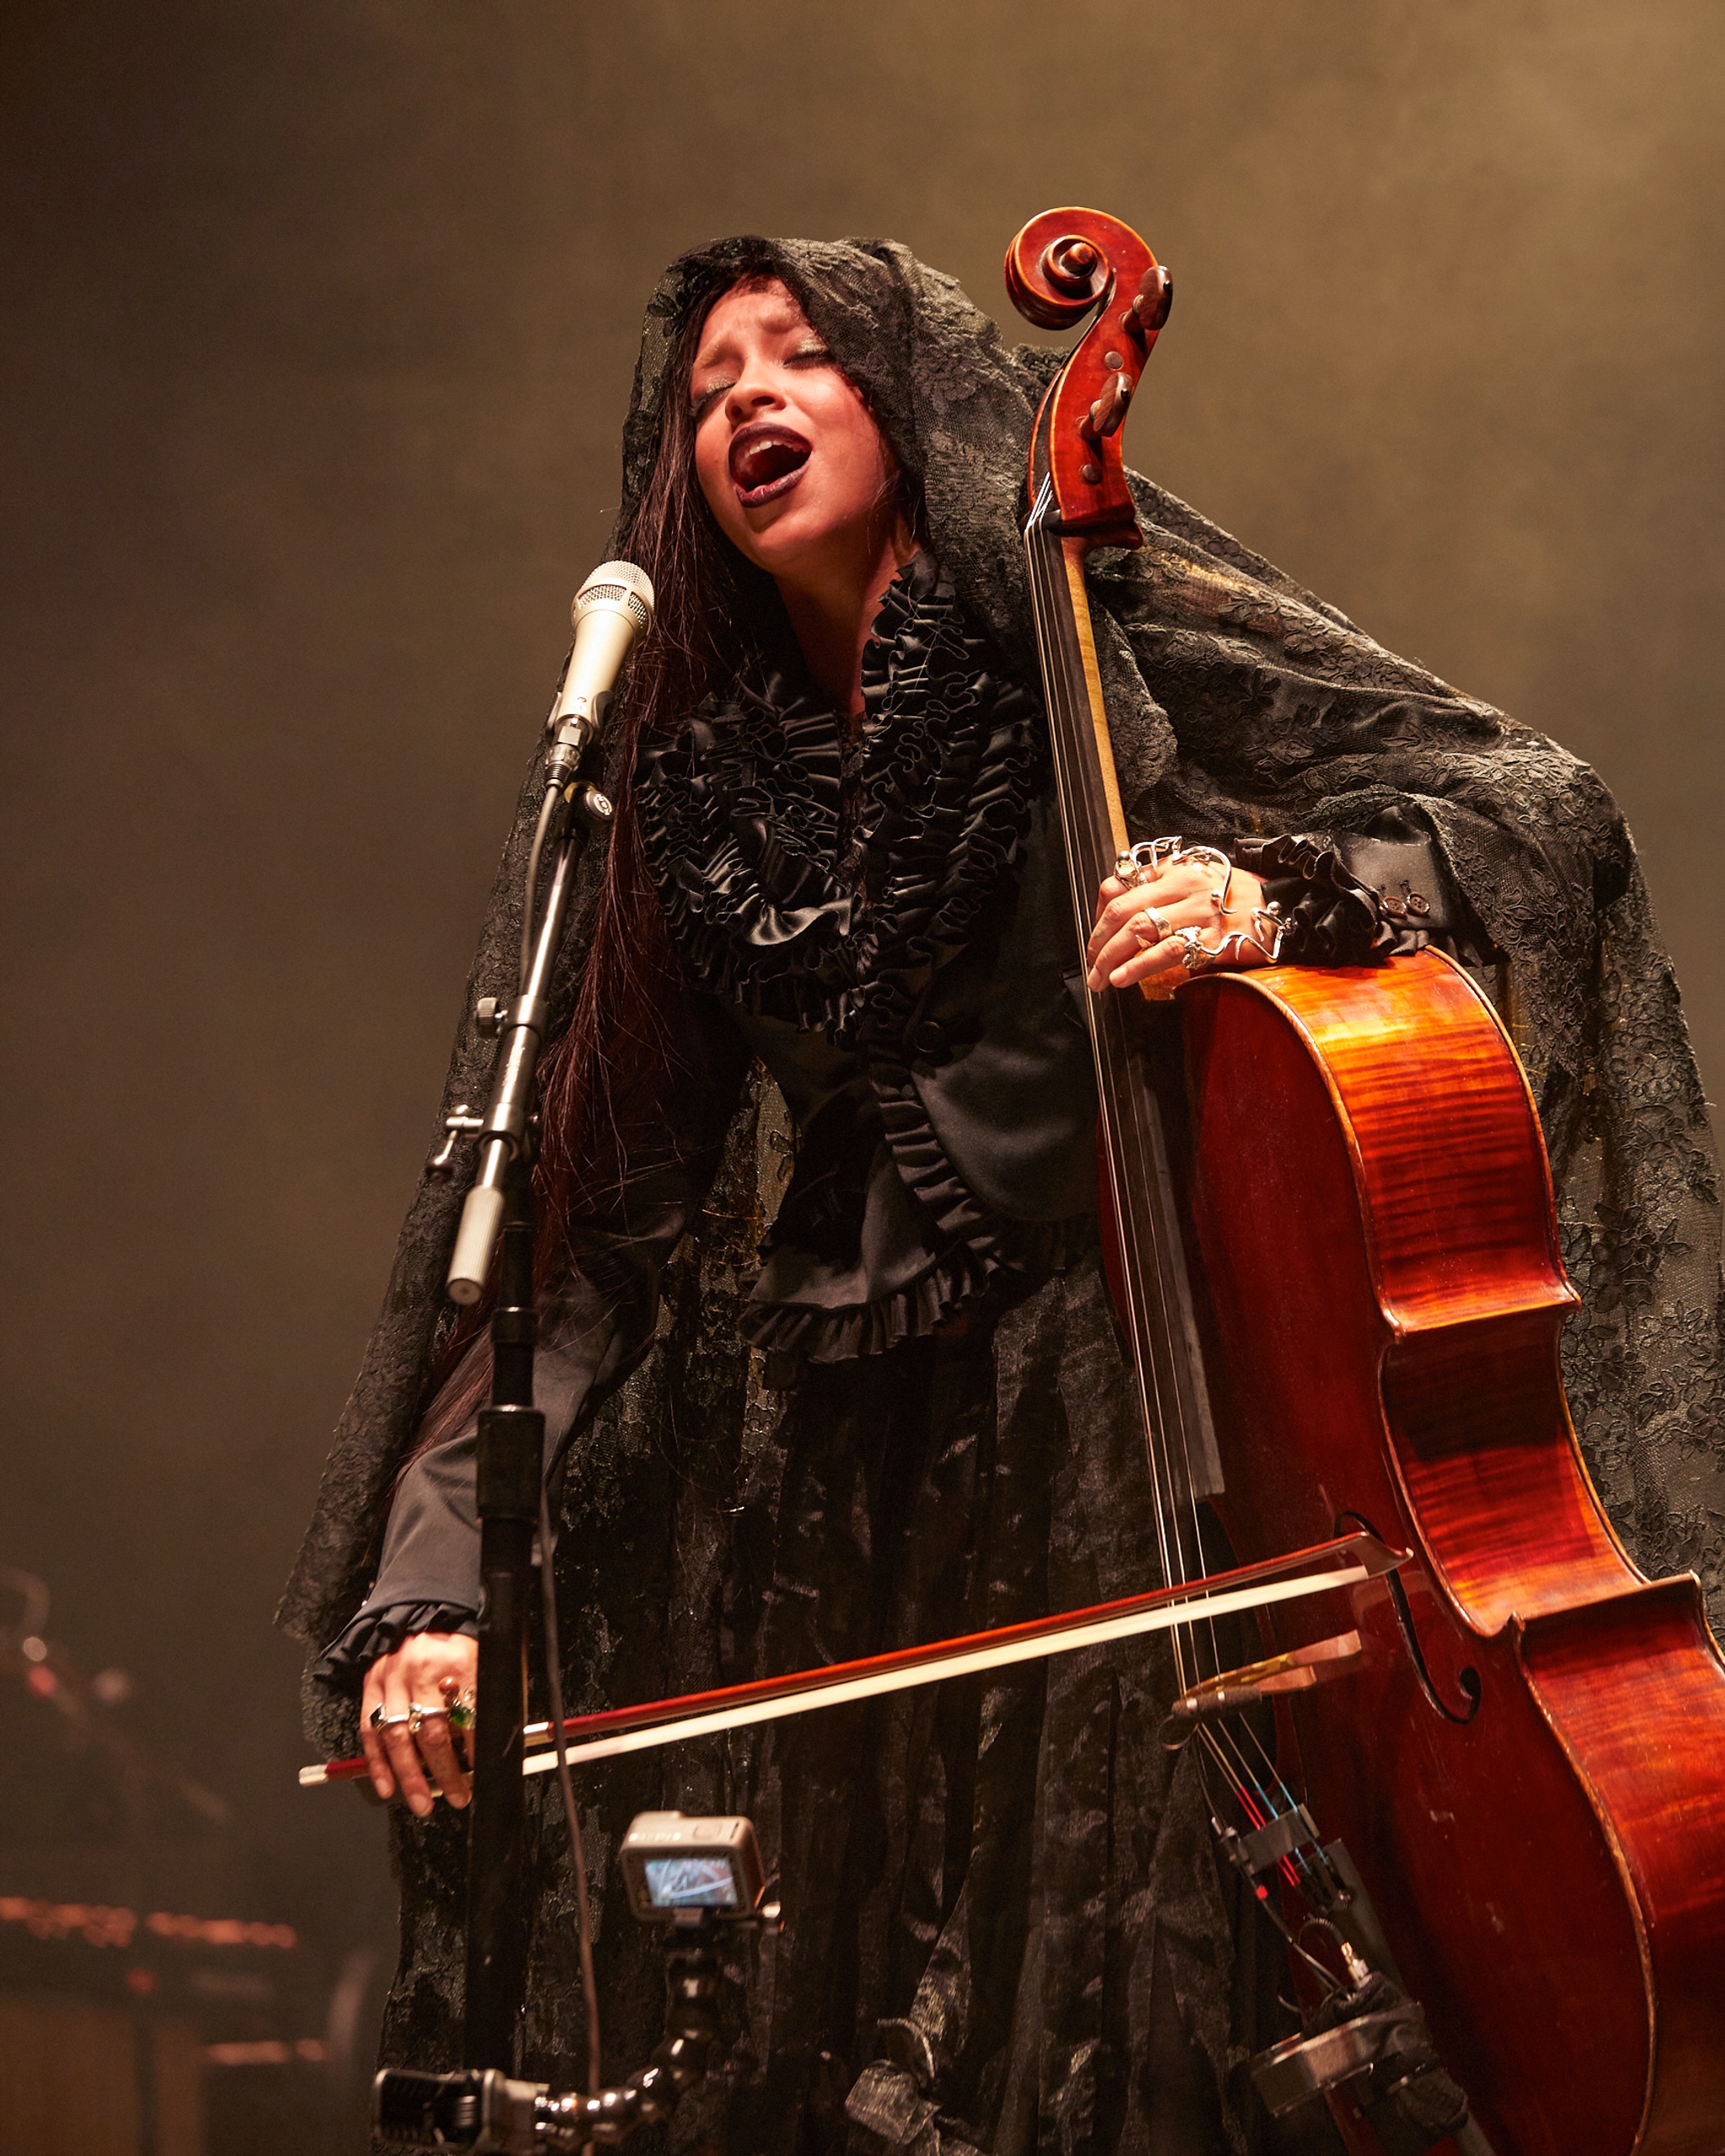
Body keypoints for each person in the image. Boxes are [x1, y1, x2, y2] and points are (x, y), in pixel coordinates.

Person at [280, 235, 1725, 2154]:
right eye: (710, 387)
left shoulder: (1074, 614)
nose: (746, 405)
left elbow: (1526, 797)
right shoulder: (694, 792)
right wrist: (430, 1591)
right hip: (857, 1480)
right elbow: (586, 1250)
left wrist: (1262, 889)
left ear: (920, 400)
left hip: (1144, 1427)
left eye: (798, 361)